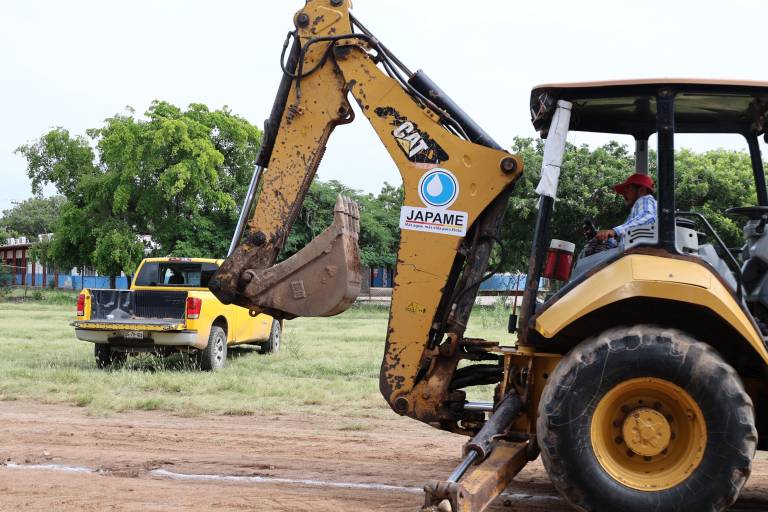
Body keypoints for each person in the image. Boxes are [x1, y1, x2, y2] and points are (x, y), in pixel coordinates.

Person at [596, 173, 657, 244]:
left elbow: (647, 217)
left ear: (642, 190)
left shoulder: (644, 199)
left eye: (628, 189)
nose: (624, 194)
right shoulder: (636, 215)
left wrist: (615, 231)